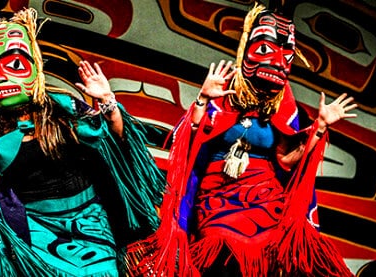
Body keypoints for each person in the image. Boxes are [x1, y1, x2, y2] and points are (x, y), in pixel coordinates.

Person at [0, 7, 164, 276]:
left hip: (88, 220)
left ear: (33, 67)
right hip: (35, 226)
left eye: (13, 64)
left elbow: (113, 139)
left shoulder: (64, 108)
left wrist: (108, 101)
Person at [127, 3, 357, 277]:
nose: (278, 61)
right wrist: (202, 99)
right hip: (218, 194)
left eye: (287, 54)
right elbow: (188, 141)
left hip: (265, 196)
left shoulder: (284, 102)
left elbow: (287, 159)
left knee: (276, 253)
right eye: (265, 49)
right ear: (246, 47)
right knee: (224, 249)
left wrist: (319, 128)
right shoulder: (223, 91)